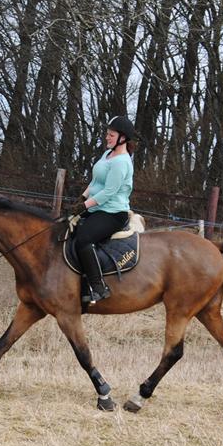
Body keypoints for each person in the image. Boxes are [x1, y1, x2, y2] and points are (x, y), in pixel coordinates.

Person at [70, 114, 137, 304]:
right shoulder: (107, 155)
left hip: (113, 213)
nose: (107, 138)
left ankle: (98, 287)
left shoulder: (122, 162)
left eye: (111, 135)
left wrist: (83, 206)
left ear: (122, 138)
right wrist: (82, 197)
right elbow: (95, 181)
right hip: (96, 208)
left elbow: (109, 192)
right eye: (107, 134)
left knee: (84, 239)